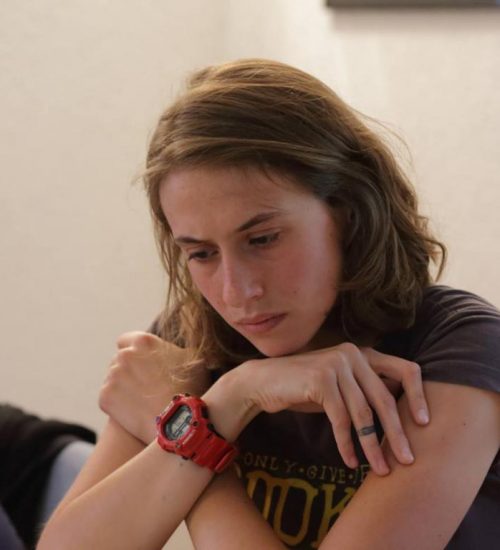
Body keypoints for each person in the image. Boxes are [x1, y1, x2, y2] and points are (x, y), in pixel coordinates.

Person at [38, 59, 500, 550]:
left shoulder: (459, 350)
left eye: (262, 239)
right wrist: (235, 396)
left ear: (349, 212)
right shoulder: (189, 341)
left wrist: (196, 440)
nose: (236, 292)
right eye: (201, 254)